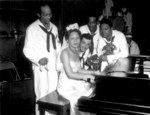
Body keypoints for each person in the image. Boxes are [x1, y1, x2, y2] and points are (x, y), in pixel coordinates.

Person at [23, 3, 61, 115]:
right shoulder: (32, 29)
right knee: (42, 95)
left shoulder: (54, 28)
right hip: (41, 68)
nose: (48, 17)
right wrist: (38, 59)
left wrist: (59, 63)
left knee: (54, 94)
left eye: (50, 14)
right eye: (45, 15)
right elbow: (27, 50)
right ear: (39, 14)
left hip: (54, 67)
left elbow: (58, 47)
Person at [56, 25, 99, 115]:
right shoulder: (65, 52)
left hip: (75, 81)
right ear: (67, 40)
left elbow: (78, 69)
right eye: (72, 38)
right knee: (79, 101)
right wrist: (86, 77)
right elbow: (70, 74)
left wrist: (94, 72)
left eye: (77, 38)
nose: (75, 41)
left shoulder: (76, 51)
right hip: (66, 85)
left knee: (92, 93)